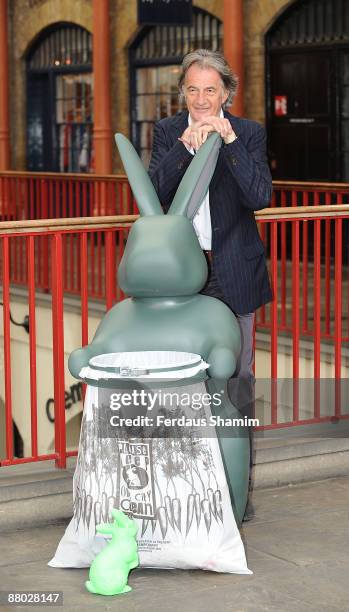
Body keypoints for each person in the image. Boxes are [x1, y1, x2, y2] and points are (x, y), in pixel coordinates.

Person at [148, 49, 273, 519]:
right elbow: (154, 193)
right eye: (193, 90)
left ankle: (237, 493)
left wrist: (230, 142)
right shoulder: (166, 131)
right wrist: (184, 147)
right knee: (184, 381)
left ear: (226, 94)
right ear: (183, 91)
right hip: (182, 274)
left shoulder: (250, 132)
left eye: (211, 90)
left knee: (236, 381)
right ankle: (187, 490)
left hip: (235, 271)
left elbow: (259, 195)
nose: (201, 99)